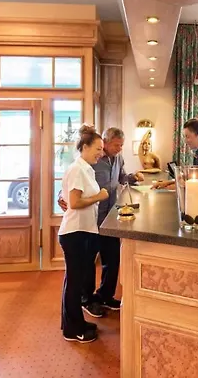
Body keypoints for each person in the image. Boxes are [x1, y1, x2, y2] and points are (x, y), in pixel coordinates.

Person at [58, 127, 144, 315]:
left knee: (112, 259)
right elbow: (72, 184)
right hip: (91, 221)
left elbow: (121, 177)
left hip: (111, 218)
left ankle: (105, 295)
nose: (119, 149)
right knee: (88, 263)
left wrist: (133, 177)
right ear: (105, 142)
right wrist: (61, 196)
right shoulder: (92, 161)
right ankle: (87, 299)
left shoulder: (118, 158)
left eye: (121, 145)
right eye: (116, 145)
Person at [58, 125, 109, 344]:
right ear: (85, 147)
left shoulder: (86, 169)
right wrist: (100, 197)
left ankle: (74, 322)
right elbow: (74, 202)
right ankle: (73, 329)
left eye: (102, 149)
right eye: (98, 148)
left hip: (85, 231)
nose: (101, 153)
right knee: (74, 283)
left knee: (75, 281)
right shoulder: (77, 169)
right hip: (75, 232)